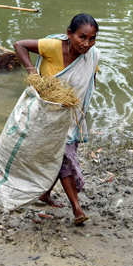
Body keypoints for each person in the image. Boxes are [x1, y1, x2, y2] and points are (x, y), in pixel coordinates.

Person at [13, 13, 99, 225]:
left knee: (59, 157)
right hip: (48, 116)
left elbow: (87, 84)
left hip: (71, 116)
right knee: (64, 158)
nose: (87, 44)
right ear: (69, 34)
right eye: (82, 37)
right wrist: (32, 71)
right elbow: (19, 45)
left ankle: (44, 194)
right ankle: (77, 208)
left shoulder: (92, 55)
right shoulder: (53, 47)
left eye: (92, 39)